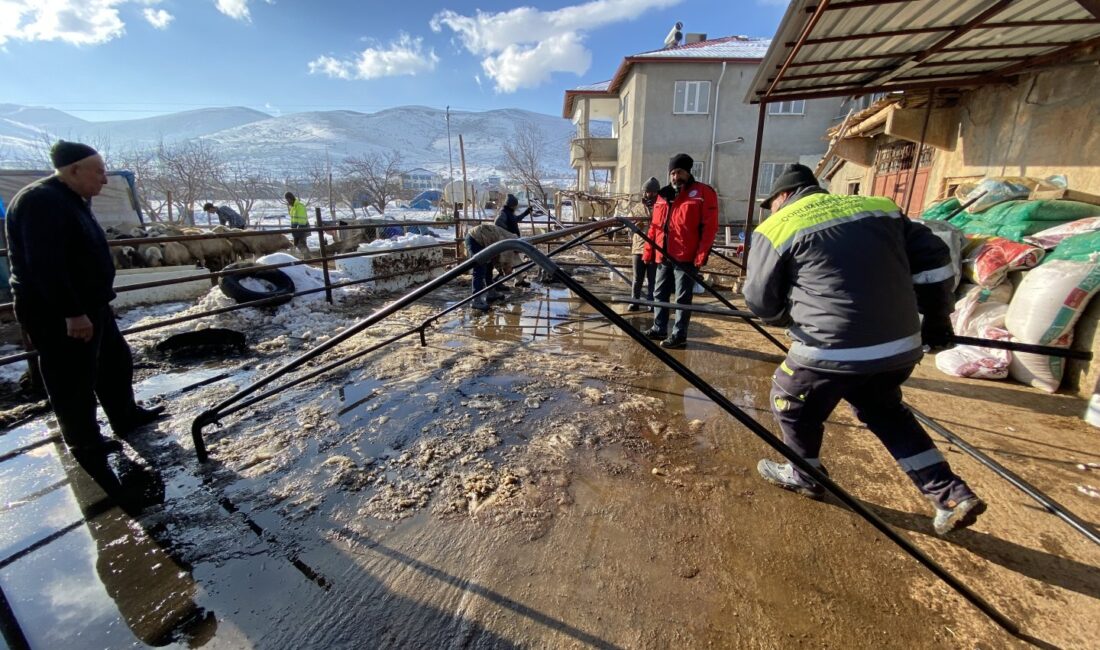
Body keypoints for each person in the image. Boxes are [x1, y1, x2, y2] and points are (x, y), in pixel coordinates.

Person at [744, 163, 985, 536]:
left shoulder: (778, 226)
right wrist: (937, 317)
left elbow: (760, 302)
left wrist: (787, 318)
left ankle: (804, 474)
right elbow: (935, 261)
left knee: (790, 400)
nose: (772, 210)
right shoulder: (879, 207)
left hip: (832, 349)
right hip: (900, 346)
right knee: (885, 411)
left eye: (771, 203)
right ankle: (950, 495)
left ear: (783, 196)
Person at [4, 141, 165, 463]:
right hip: (58, 310)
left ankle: (125, 415)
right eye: (99, 172)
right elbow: (45, 264)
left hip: (90, 303)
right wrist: (73, 312)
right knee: (72, 376)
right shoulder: (42, 201)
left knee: (114, 362)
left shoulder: (72, 198)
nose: (104, 180)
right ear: (73, 169)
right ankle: (84, 441)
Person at [642, 153, 719, 349]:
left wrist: (702, 254)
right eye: (673, 173)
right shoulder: (663, 195)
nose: (676, 177)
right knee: (659, 293)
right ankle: (659, 327)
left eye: (680, 172)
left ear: (688, 172)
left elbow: (709, 227)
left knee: (682, 298)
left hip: (686, 257)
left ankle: (679, 335)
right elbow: (654, 227)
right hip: (663, 254)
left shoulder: (702, 193)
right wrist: (648, 251)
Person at [464, 222, 521, 312]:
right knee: (480, 268)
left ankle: (491, 292)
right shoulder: (511, 242)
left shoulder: (512, 239)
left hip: (482, 239)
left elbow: (496, 257)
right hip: (476, 239)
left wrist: (500, 269)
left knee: (489, 266)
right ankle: (476, 300)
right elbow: (505, 259)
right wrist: (506, 268)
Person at [627, 177, 661, 312]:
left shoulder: (661, 207)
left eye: (653, 192)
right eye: (647, 192)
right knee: (637, 278)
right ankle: (634, 301)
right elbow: (628, 226)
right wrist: (635, 226)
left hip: (654, 247)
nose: (649, 195)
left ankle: (651, 301)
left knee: (653, 278)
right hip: (638, 248)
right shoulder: (637, 208)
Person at [495, 194, 532, 288]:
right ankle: (497, 281)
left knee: (517, 263)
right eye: (515, 205)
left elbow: (515, 220)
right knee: (506, 264)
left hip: (512, 242)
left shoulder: (509, 212)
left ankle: (519, 281)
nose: (516, 206)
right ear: (512, 204)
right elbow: (497, 223)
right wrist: (507, 232)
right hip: (507, 242)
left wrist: (526, 213)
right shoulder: (503, 212)